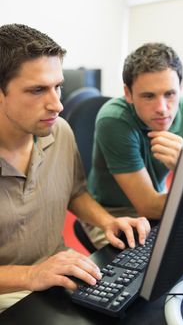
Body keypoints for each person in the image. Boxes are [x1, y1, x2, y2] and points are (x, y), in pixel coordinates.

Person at [0, 23, 151, 313]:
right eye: (37, 90)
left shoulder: (59, 132)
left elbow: (75, 192)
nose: (57, 104)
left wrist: (107, 222)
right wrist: (31, 275)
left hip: (57, 270)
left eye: (58, 87)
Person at [82, 42, 183, 249]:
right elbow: (148, 206)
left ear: (180, 87)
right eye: (149, 96)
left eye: (170, 94)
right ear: (128, 93)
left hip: (161, 198)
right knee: (140, 273)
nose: (162, 108)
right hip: (110, 212)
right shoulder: (114, 119)